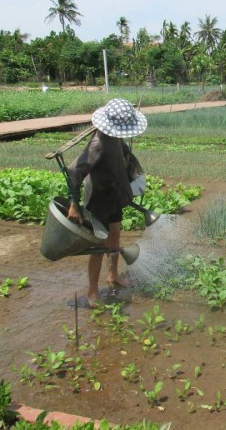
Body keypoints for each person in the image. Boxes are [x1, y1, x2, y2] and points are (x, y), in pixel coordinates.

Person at [65, 98, 147, 307]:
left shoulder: (115, 137)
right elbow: (74, 172)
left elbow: (125, 155)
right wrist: (74, 204)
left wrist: (131, 169)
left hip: (114, 194)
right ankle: (92, 292)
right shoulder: (97, 144)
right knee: (99, 245)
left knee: (116, 235)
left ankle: (113, 275)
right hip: (98, 199)